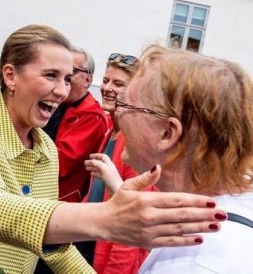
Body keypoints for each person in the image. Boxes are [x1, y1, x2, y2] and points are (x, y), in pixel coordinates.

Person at [0, 25, 228, 274]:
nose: (61, 91)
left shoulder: (45, 147)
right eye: (50, 76)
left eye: (66, 79)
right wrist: (104, 219)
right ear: (10, 76)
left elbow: (54, 248)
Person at [85, 44, 253, 273]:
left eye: (125, 104)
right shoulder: (226, 211)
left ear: (167, 134)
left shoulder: (192, 264)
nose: (118, 113)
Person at [84, 53, 157, 273]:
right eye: (106, 80)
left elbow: (132, 226)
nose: (107, 88)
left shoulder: (135, 142)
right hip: (90, 245)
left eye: (118, 84)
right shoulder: (112, 132)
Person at [42, 46, 107, 202]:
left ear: (88, 80)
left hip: (58, 201)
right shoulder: (54, 102)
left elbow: (61, 163)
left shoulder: (92, 117)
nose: (66, 76)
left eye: (73, 71)